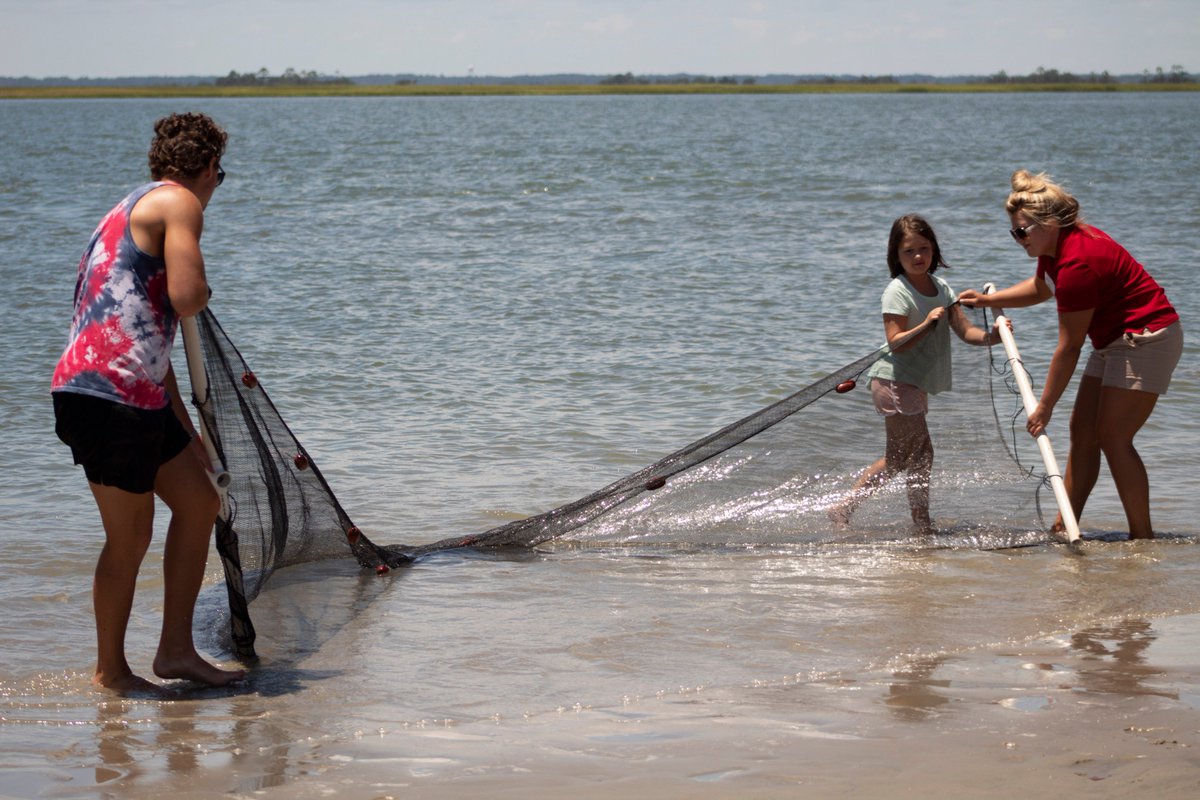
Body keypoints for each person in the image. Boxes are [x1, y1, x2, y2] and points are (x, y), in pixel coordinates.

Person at [51, 112, 246, 694]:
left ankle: (176, 651)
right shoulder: (179, 203)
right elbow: (187, 299)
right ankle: (111, 672)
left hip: (134, 391)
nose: (215, 188)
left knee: (200, 500)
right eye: (220, 174)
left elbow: (140, 331)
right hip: (105, 395)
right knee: (130, 536)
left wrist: (189, 435)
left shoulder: (127, 206)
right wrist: (205, 286)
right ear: (210, 168)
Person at [959, 171, 1182, 540]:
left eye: (1022, 231)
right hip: (1114, 340)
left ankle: (1142, 537)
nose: (1017, 240)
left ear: (1048, 224)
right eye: (1013, 232)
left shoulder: (1077, 261)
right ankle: (1066, 524)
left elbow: (1069, 346)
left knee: (1114, 437)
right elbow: (1040, 288)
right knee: (1082, 432)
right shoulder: (1054, 248)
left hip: (1147, 339)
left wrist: (1044, 405)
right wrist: (987, 300)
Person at [831, 214, 1002, 533]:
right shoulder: (897, 290)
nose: (918, 257)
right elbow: (896, 343)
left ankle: (843, 509)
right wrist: (925, 325)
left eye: (924, 249)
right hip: (893, 379)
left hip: (913, 382)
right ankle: (921, 523)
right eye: (909, 251)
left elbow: (966, 332)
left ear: (935, 250)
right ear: (896, 255)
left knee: (898, 460)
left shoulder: (942, 288)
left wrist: (993, 336)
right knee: (922, 453)